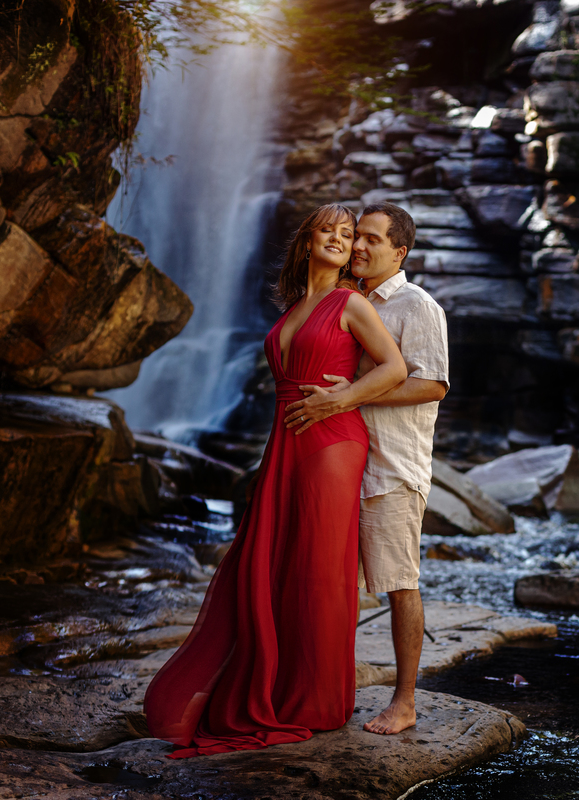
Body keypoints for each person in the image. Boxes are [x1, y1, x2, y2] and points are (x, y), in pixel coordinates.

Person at [142, 203, 407, 757]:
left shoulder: (350, 302)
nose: (340, 239)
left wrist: (342, 397)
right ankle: (276, 681)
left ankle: (317, 699)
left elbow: (395, 369)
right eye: (328, 230)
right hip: (285, 444)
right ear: (306, 241)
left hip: (332, 444)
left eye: (348, 234)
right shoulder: (295, 306)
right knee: (272, 562)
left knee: (316, 568)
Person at [284, 202, 449, 735]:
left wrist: (349, 398)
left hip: (392, 471)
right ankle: (329, 688)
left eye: (373, 239)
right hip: (339, 461)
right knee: (332, 585)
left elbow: (432, 384)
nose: (359, 246)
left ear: (400, 252)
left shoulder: (416, 305)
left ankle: (405, 701)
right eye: (358, 237)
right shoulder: (346, 299)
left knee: (399, 583)